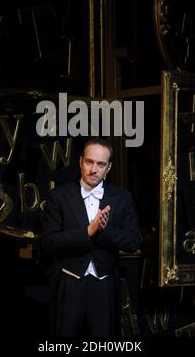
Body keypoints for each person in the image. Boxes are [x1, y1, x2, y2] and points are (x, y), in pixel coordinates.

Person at [41, 137, 141, 337]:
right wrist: (87, 232)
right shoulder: (59, 196)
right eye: (89, 162)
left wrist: (104, 230)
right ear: (80, 162)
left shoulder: (122, 198)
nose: (94, 169)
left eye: (101, 164)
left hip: (104, 284)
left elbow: (133, 242)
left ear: (109, 167)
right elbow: (48, 242)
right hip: (69, 282)